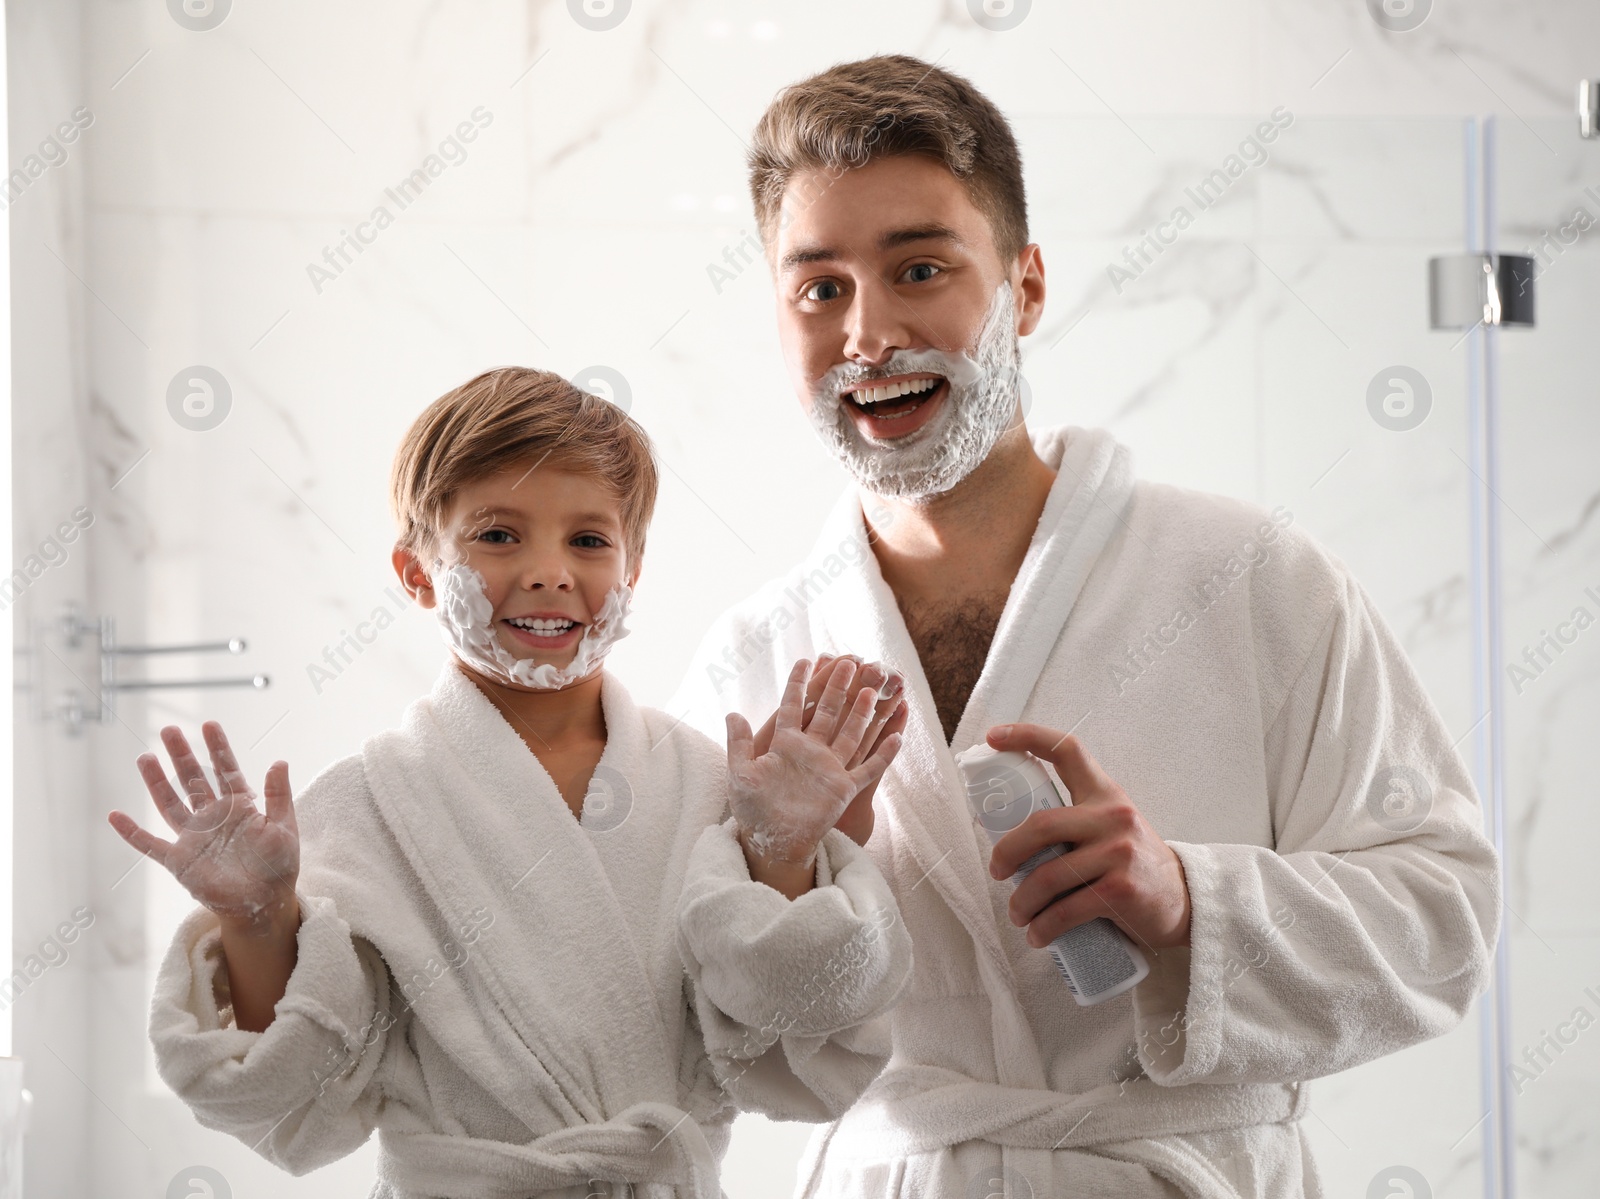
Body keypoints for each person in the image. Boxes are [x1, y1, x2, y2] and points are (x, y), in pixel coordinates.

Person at [671, 55, 1503, 1198]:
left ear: (1024, 287)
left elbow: (1444, 920)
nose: (869, 335)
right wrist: (779, 874)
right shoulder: (750, 658)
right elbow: (718, 1053)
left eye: (920, 268)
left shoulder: (1251, 577)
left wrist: (1185, 900)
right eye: (820, 290)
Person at [108, 367, 916, 1199]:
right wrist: (256, 918)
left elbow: (794, 1052)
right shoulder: (368, 806)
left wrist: (781, 854)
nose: (548, 571)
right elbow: (297, 1094)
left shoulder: (709, 788)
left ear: (633, 571)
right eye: (498, 536)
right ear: (419, 573)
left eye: (589, 541)